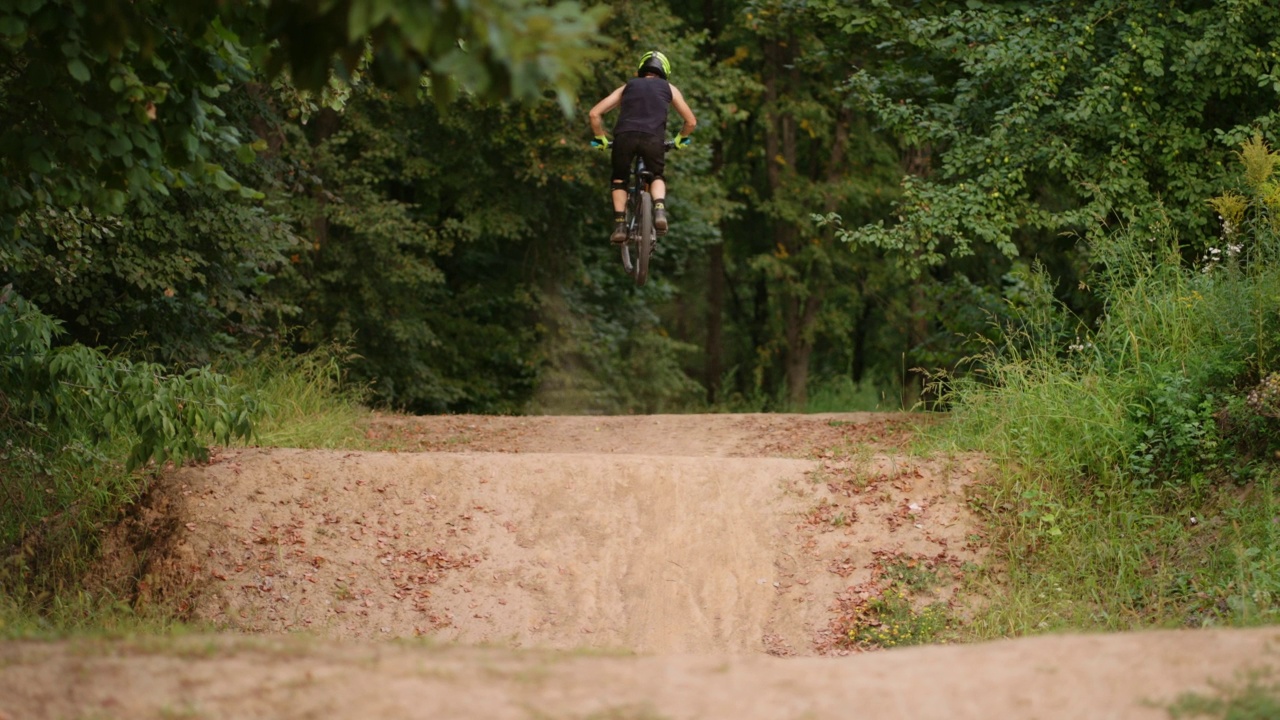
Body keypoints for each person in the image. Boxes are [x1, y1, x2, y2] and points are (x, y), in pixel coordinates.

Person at [588, 50, 697, 245]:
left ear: (642, 68)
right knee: (656, 175)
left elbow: (594, 114)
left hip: (624, 138)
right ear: (664, 70)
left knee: (620, 178)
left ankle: (620, 226)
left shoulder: (627, 87)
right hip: (653, 139)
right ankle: (659, 210)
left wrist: (601, 138)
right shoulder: (669, 88)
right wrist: (681, 138)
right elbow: (690, 122)